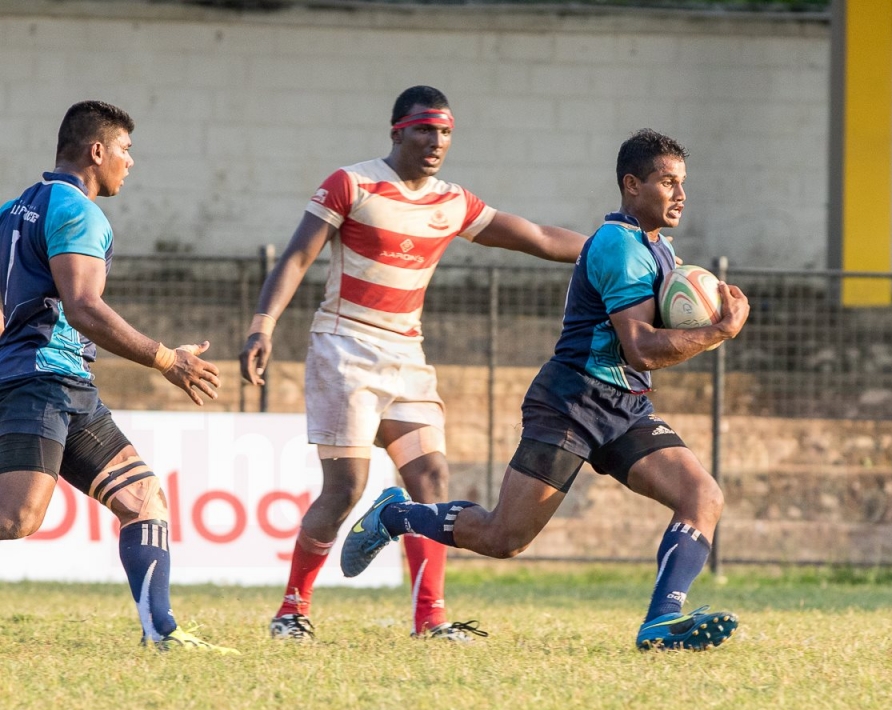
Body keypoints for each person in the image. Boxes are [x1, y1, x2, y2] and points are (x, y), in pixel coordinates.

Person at [341, 129, 750, 650]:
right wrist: (718, 331)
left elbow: (647, 352)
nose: (681, 194)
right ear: (632, 185)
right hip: (572, 401)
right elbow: (642, 348)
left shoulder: (660, 249)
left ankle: (661, 623)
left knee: (702, 496)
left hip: (625, 405)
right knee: (503, 538)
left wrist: (703, 322)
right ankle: (395, 514)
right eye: (667, 182)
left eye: (682, 182)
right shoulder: (620, 246)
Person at [241, 86, 585, 642]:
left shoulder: (453, 202)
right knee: (346, 487)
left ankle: (430, 618)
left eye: (445, 132)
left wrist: (616, 248)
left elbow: (539, 237)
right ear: (397, 131)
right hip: (344, 346)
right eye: (425, 129)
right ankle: (291, 610)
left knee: (431, 478)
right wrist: (263, 324)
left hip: (407, 353)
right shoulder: (352, 184)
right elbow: (298, 256)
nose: (436, 141)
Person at [0, 101, 236, 653]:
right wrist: (167, 360)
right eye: (125, 150)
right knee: (16, 519)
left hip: (62, 385)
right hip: (43, 379)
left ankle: (162, 633)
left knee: (143, 499)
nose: (130, 162)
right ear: (97, 151)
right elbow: (83, 306)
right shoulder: (78, 211)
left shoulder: (12, 210)